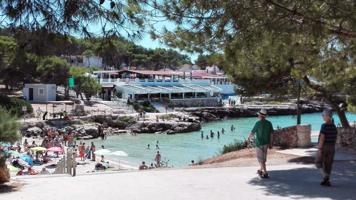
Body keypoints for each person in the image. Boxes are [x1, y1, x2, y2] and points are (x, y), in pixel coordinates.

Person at [248, 109, 274, 178]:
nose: (258, 116)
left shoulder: (257, 123)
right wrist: (271, 143)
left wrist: (248, 140)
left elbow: (252, 133)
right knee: (263, 158)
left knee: (261, 159)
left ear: (260, 115)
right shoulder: (269, 123)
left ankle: (265, 173)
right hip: (266, 144)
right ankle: (260, 169)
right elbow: (271, 134)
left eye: (258, 115)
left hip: (259, 144)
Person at [315, 109, 338, 187]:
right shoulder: (334, 126)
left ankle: (325, 176)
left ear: (328, 116)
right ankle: (327, 181)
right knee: (328, 164)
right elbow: (335, 138)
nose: (322, 117)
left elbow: (322, 138)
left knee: (318, 162)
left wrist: (319, 149)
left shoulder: (324, 126)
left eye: (323, 115)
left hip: (325, 146)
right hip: (332, 147)